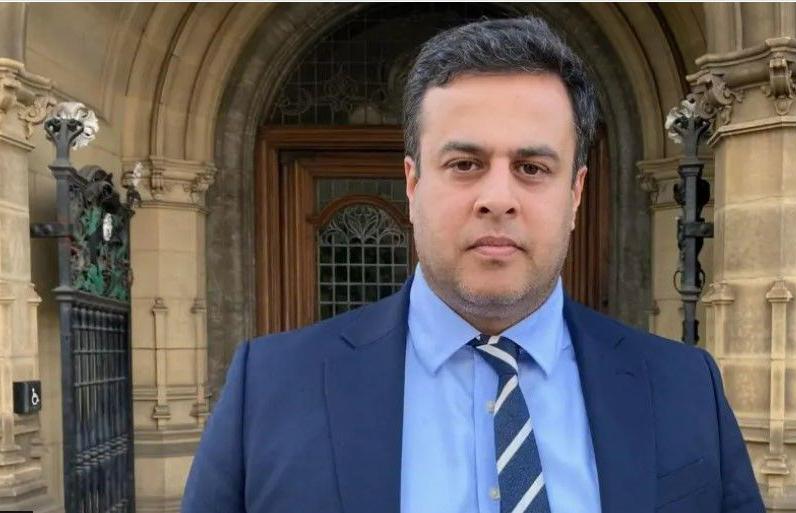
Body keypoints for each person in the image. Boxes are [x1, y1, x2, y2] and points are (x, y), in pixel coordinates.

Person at [182, 16, 765, 513]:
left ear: (576, 193)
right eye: (465, 164)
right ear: (412, 183)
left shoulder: (685, 387)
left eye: (532, 168)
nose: (498, 197)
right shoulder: (271, 387)